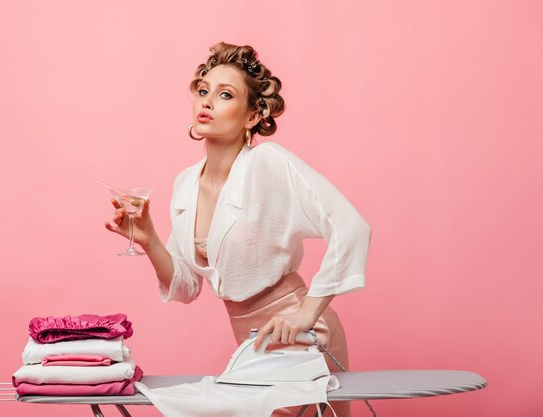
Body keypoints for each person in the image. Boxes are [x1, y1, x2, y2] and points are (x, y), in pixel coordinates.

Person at [104, 41, 372, 417]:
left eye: (225, 94)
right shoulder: (185, 184)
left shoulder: (269, 164)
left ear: (251, 117)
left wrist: (307, 314)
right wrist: (148, 239)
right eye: (202, 91)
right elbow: (185, 286)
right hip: (252, 346)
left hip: (302, 336)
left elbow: (352, 227)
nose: (207, 102)